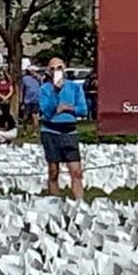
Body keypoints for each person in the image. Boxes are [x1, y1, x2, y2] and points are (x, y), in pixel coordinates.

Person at [38, 57, 90, 199]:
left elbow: (83, 110)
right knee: (53, 171)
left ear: (64, 69)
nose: (56, 71)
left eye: (59, 68)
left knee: (76, 171)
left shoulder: (74, 87)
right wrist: (55, 92)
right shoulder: (44, 89)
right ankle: (54, 201)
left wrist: (68, 107)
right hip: (50, 131)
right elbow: (47, 112)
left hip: (69, 132)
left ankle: (79, 204)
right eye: (53, 69)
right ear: (48, 72)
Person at [19, 65, 43, 136]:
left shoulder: (39, 78)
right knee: (25, 117)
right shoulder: (25, 79)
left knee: (34, 115)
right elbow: (22, 89)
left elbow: (42, 86)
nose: (35, 72)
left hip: (36, 100)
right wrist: (21, 100)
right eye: (33, 71)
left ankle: (35, 132)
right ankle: (24, 129)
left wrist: (39, 79)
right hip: (27, 100)